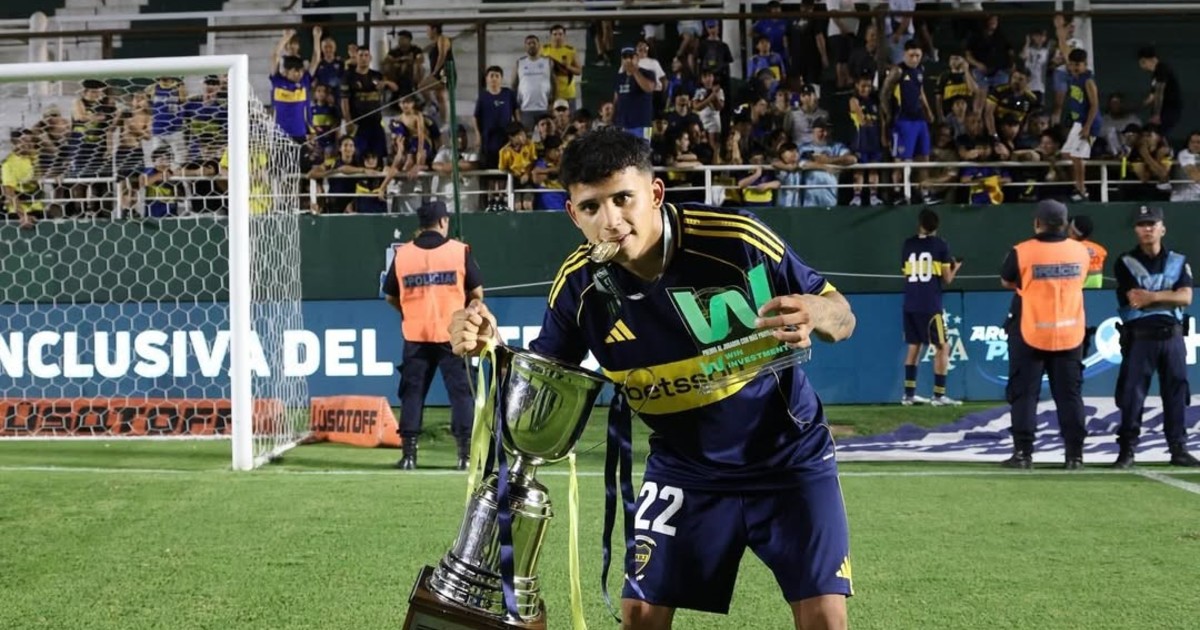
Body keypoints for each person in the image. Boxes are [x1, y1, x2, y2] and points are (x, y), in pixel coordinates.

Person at [449, 127, 857, 629]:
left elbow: (843, 316)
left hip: (787, 456)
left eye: (624, 198)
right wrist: (489, 348)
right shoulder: (579, 287)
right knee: (640, 614)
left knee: (824, 617)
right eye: (592, 207)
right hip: (684, 466)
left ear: (656, 193)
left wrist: (818, 310)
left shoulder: (736, 240)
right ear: (573, 214)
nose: (611, 221)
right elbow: (544, 384)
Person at [383, 201, 483, 471]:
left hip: (415, 334)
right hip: (453, 335)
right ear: (442, 222)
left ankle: (409, 457)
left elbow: (390, 296)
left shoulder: (403, 254)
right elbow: (477, 295)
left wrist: (409, 311)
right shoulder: (459, 251)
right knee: (462, 394)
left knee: (412, 395)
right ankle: (465, 457)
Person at [999, 199, 1091, 470]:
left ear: (1037, 223)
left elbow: (1007, 280)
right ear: (1065, 224)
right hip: (1070, 333)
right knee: (1070, 396)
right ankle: (1074, 456)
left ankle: (1023, 454)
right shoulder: (1081, 251)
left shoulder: (1022, 251)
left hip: (1030, 331)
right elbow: (1082, 279)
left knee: (1025, 394)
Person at [1111, 205, 1198, 468]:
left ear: (1163, 228)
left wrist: (1153, 297)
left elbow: (1186, 298)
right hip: (1140, 338)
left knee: (1176, 392)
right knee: (1132, 395)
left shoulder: (1178, 260)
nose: (1147, 228)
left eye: (1152, 223)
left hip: (1172, 337)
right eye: (1141, 224)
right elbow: (1135, 300)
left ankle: (1178, 448)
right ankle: (1127, 450)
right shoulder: (1125, 262)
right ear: (1135, 230)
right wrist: (1169, 296)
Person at [900, 208, 962, 406]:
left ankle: (908, 395)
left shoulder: (908, 244)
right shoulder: (940, 245)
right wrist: (955, 268)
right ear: (937, 226)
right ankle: (939, 395)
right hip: (930, 304)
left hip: (910, 302)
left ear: (920, 224)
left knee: (914, 346)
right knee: (943, 346)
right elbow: (947, 279)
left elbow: (905, 273)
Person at [1068, 215, 1107, 289]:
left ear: (1073, 232)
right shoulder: (1100, 250)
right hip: (1096, 291)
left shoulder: (1069, 249)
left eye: (1069, 228)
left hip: (1076, 290)